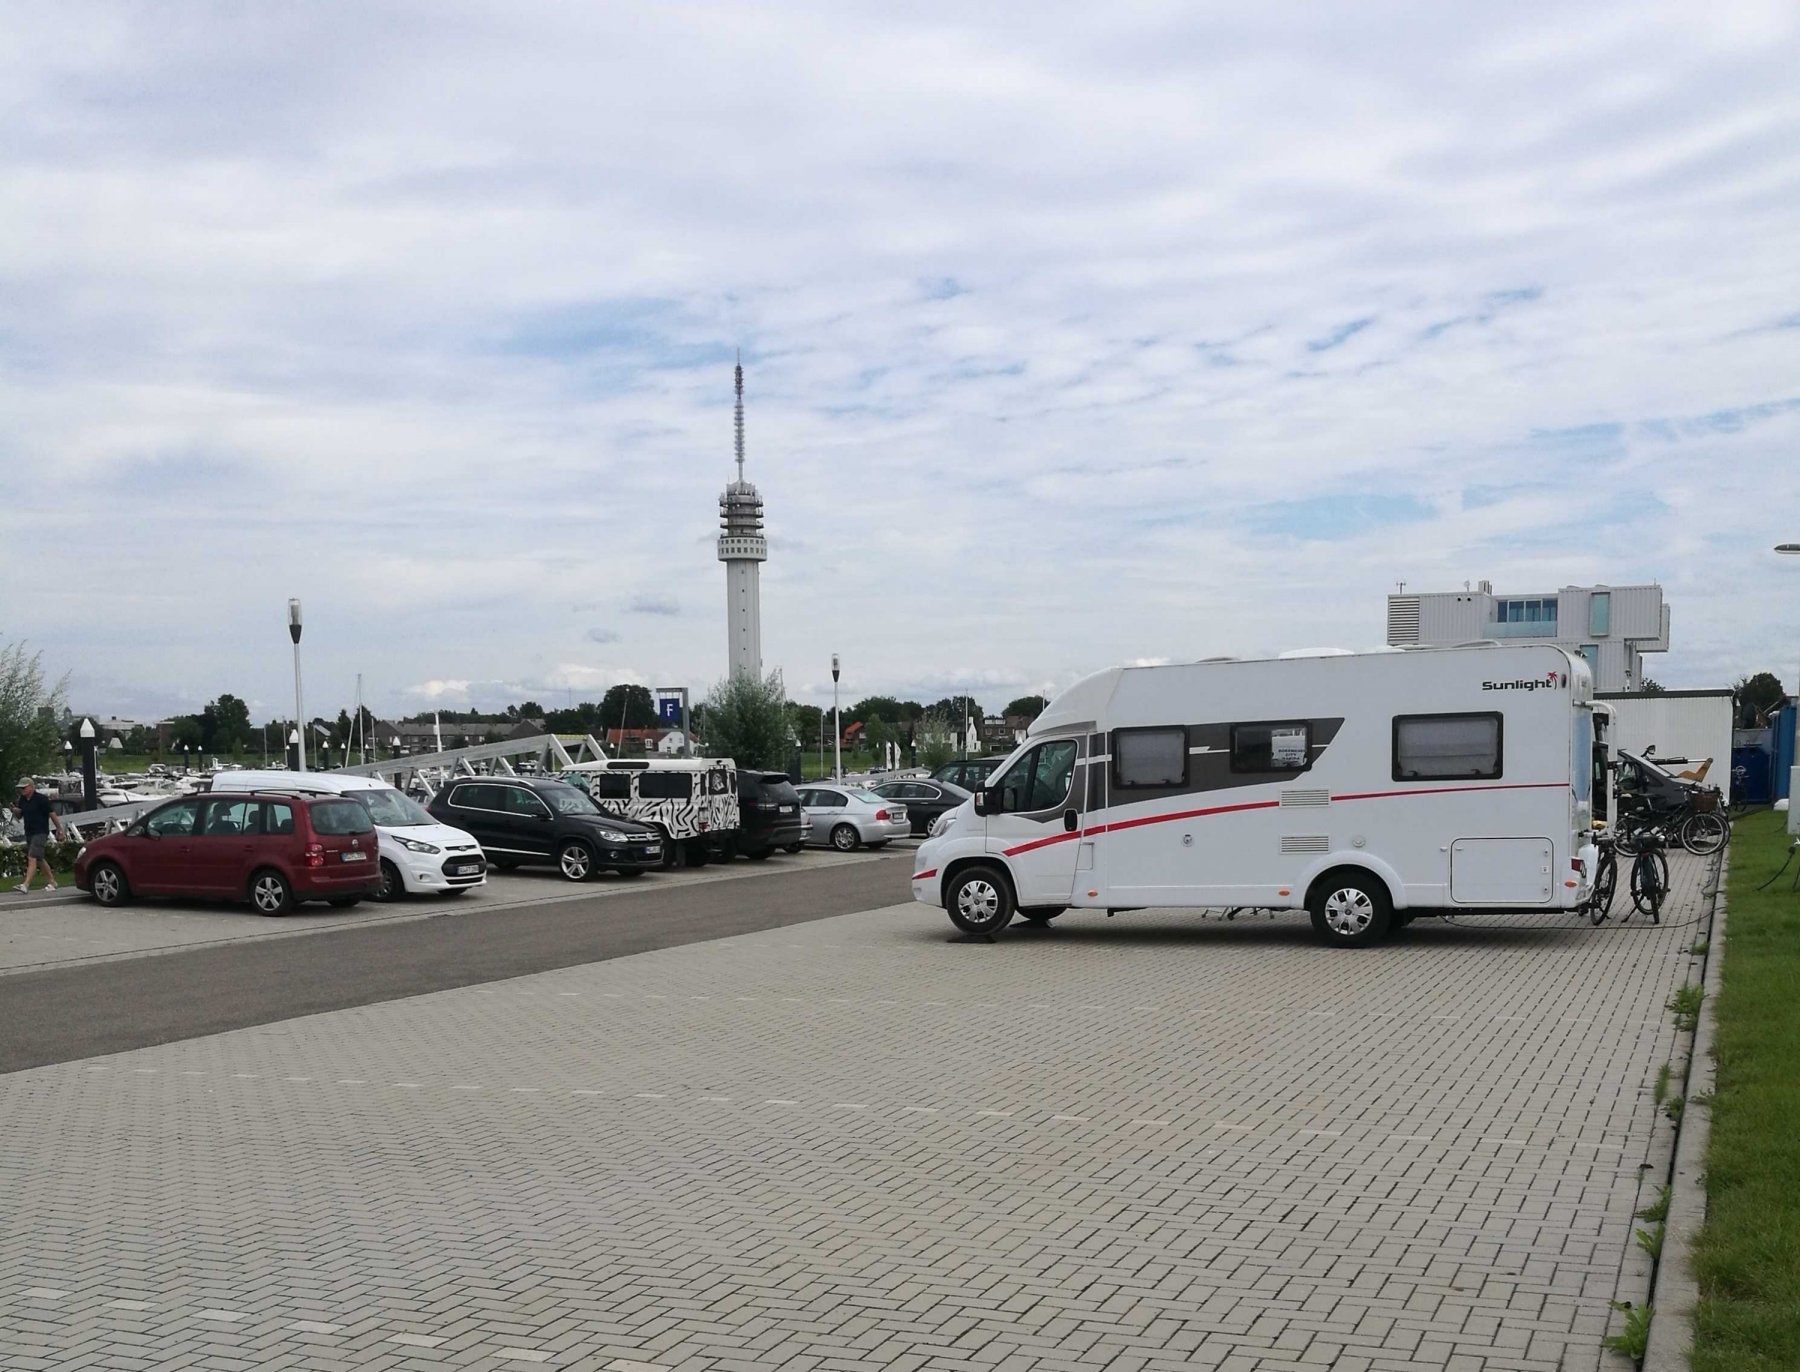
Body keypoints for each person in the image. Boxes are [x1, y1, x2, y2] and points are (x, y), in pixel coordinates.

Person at [12, 777, 66, 893]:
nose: (22, 790)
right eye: (21, 788)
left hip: (40, 832)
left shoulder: (41, 799)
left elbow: (52, 814)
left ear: (31, 787)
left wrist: (59, 829)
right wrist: (15, 811)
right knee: (39, 858)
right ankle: (52, 882)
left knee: (32, 857)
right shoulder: (22, 799)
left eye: (24, 787)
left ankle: (25, 885)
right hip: (29, 831)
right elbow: (20, 816)